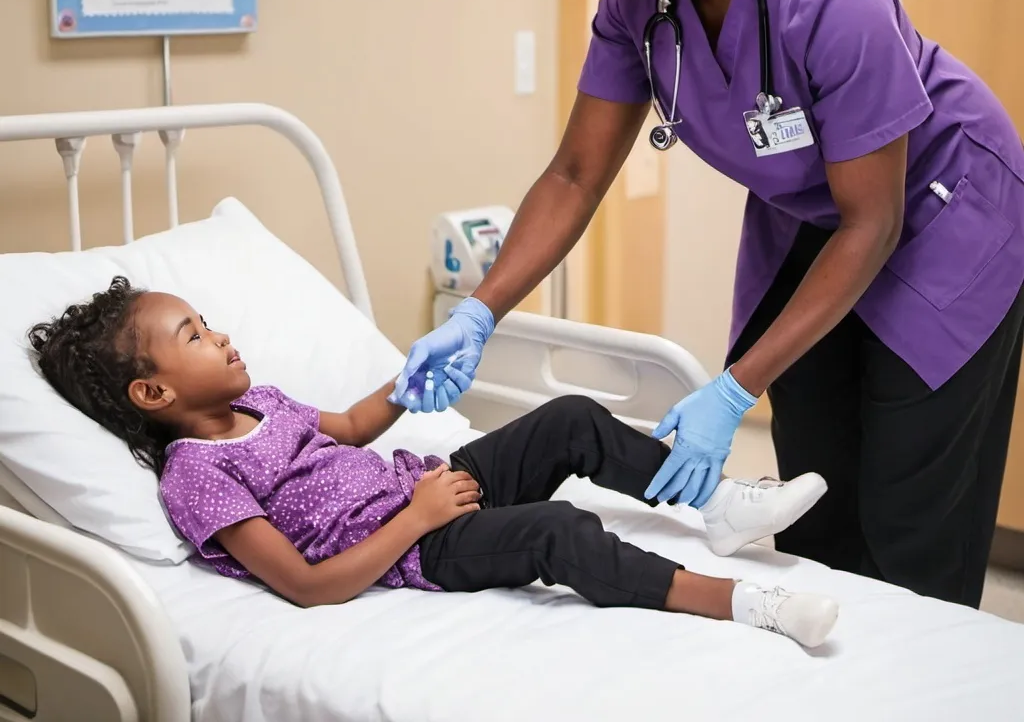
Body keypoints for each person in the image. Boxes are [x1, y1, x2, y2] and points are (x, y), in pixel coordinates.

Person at [397, 0, 1024, 610]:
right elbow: (576, 174)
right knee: (819, 510)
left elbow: (875, 219)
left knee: (906, 517)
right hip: (819, 219)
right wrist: (482, 312)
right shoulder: (637, 2)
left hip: (941, 217)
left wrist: (734, 390)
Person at [27, 276, 838, 648]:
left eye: (209, 321)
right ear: (152, 391)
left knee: (568, 419)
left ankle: (721, 507)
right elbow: (307, 587)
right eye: (196, 336)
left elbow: (345, 426)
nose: (223, 336)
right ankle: (745, 604)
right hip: (416, 543)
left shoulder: (262, 403)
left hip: (428, 487)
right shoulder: (196, 476)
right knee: (559, 531)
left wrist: (409, 382)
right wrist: (417, 519)